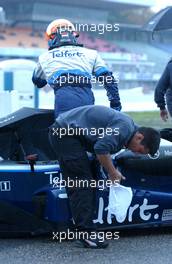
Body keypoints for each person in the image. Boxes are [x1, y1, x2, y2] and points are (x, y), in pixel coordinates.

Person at [49, 105, 160, 249]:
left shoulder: (128, 129)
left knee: (92, 180)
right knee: (83, 184)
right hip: (64, 134)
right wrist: (113, 172)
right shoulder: (124, 128)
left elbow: (100, 148)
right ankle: (86, 234)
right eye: (139, 150)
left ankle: (83, 226)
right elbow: (101, 149)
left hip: (73, 135)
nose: (136, 153)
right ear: (139, 137)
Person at [32, 19, 122, 118]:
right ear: (74, 35)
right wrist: (115, 104)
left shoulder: (45, 57)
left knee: (64, 131)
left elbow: (38, 82)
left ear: (52, 38)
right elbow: (108, 80)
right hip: (86, 98)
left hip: (63, 99)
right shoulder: (91, 53)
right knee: (86, 130)